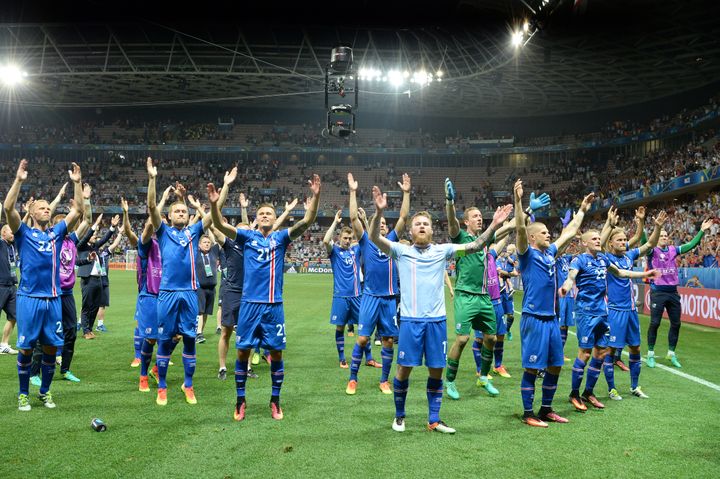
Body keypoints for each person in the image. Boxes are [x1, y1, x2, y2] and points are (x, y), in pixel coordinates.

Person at [369, 185, 512, 433]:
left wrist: (495, 225)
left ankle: (434, 419)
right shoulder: (401, 251)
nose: (422, 226)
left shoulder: (441, 250)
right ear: (411, 231)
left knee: (437, 370)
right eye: (417, 224)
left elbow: (476, 245)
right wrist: (379, 213)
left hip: (436, 321)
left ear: (432, 230)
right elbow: (373, 238)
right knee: (403, 369)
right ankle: (400, 416)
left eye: (426, 223)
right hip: (411, 322)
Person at [209, 173, 321, 421]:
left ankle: (275, 400)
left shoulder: (281, 238)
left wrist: (315, 196)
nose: (265, 216)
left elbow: (308, 220)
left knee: (277, 354)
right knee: (242, 353)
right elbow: (220, 225)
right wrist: (215, 205)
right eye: (261, 214)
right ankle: (240, 401)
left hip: (273, 306)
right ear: (257, 220)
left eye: (269, 213)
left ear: (274, 218)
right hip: (249, 305)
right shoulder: (247, 237)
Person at [4, 159, 84, 411]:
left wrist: (77, 183)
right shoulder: (24, 234)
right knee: (26, 349)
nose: (46, 209)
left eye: (47, 207)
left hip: (53, 299)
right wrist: (18, 180)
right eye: (41, 207)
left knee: (51, 348)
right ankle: (23, 393)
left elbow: (78, 211)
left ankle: (45, 392)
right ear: (32, 213)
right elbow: (8, 208)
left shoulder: (56, 233)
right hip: (28, 299)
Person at [514, 179, 591, 427]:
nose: (549, 235)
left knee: (555, 365)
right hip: (533, 318)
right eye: (545, 232)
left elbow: (569, 232)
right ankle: (528, 413)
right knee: (532, 369)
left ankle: (546, 409)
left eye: (549, 232)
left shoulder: (549, 253)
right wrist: (520, 204)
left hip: (551, 319)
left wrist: (582, 210)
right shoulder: (526, 254)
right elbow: (518, 230)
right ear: (533, 236)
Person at [559, 229, 659, 411]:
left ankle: (588, 392)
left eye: (599, 238)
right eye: (594, 239)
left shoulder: (603, 259)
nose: (598, 240)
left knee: (601, 352)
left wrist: (645, 274)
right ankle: (574, 393)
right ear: (584, 243)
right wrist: (565, 288)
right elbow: (571, 277)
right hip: (586, 313)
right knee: (585, 353)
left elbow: (621, 273)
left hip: (602, 312)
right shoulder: (579, 260)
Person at [146, 157, 215, 406]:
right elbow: (152, 206)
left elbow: (210, 217)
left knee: (188, 339)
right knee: (165, 340)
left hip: (189, 293)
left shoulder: (193, 232)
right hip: (167, 293)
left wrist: (215, 195)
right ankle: (162, 386)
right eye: (177, 211)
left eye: (184, 211)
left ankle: (189, 385)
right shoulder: (162, 231)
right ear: (169, 215)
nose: (181, 213)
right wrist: (153, 179)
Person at [443, 178, 515, 399]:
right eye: (475, 217)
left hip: (485, 298)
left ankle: (483, 377)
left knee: (491, 339)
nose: (479, 219)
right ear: (466, 222)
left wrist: (524, 207)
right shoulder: (460, 237)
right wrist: (450, 202)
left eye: (480, 217)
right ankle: (450, 381)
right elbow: (451, 221)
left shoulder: (486, 239)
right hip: (465, 295)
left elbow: (511, 226)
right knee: (463, 339)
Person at [345, 172, 410, 395]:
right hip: (370, 297)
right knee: (362, 339)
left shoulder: (392, 241)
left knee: (389, 340)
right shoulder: (365, 241)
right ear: (372, 224)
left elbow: (403, 218)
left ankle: (384, 381)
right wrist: (353, 192)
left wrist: (406, 194)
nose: (382, 226)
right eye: (378, 223)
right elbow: (354, 219)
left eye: (384, 224)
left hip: (390, 299)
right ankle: (353, 379)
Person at [599, 209, 667, 400]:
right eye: (619, 240)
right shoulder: (606, 258)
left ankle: (634, 386)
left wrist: (654, 225)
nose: (623, 242)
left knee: (636, 348)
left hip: (630, 311)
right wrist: (609, 224)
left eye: (624, 240)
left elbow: (649, 243)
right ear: (611, 242)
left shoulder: (629, 256)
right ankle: (612, 389)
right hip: (613, 310)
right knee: (610, 351)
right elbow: (601, 244)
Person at [645, 217, 714, 368]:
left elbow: (691, 245)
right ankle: (650, 354)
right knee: (655, 323)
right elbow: (645, 241)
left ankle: (671, 354)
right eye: (661, 236)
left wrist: (702, 231)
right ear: (656, 239)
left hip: (673, 292)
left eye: (665, 236)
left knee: (676, 324)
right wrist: (642, 223)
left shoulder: (673, 250)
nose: (664, 237)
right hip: (658, 292)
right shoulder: (652, 251)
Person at [322, 210, 362, 369]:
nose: (347, 240)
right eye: (345, 238)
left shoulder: (356, 250)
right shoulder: (335, 252)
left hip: (357, 295)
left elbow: (365, 238)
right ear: (339, 238)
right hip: (340, 296)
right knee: (340, 327)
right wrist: (335, 222)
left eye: (349, 238)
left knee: (364, 327)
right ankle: (342, 358)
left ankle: (370, 357)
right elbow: (326, 240)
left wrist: (359, 221)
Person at [77, 213, 119, 339]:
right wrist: (95, 225)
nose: (95, 236)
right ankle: (85, 331)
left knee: (95, 306)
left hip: (98, 279)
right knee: (87, 306)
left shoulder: (95, 246)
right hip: (88, 279)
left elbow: (105, 239)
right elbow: (86, 238)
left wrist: (112, 227)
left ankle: (89, 329)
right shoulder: (81, 246)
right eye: (93, 235)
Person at [95, 219, 124, 332]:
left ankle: (100, 325)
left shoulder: (106, 252)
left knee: (102, 304)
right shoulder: (91, 251)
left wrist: (120, 233)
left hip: (104, 281)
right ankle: (80, 322)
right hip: (93, 280)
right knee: (88, 303)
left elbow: (115, 244)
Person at [194, 234, 220, 344]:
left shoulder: (213, 253)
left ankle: (200, 333)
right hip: (200, 287)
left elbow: (218, 241)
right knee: (200, 311)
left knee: (205, 313)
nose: (207, 244)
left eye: (208, 242)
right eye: (204, 242)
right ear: (199, 245)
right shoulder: (196, 253)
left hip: (211, 288)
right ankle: (198, 333)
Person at [0, 224, 18, 354]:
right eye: (10, 233)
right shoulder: (1, 244)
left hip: (12, 286)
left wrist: (28, 213)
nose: (13, 235)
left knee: (14, 316)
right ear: (3, 233)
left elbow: (19, 227)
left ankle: (4, 345)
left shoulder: (13, 245)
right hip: (0, 285)